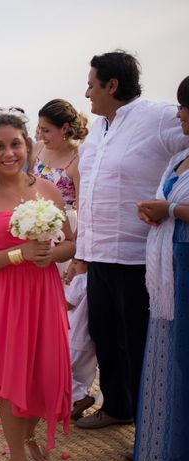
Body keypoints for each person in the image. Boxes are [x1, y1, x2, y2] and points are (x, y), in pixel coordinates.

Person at [75, 51, 189, 431]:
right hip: (97, 253)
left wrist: (173, 204)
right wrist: (82, 252)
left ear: (112, 85)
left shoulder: (157, 117)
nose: (86, 92)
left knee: (138, 343)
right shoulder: (97, 129)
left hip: (137, 254)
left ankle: (150, 428)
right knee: (104, 336)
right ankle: (118, 407)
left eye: (92, 85)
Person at [0, 111, 75, 461]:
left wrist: (49, 254)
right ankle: (16, 459)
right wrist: (18, 254)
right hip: (2, 298)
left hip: (43, 292)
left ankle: (27, 437)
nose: (8, 153)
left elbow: (70, 244)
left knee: (44, 369)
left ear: (27, 146)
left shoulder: (47, 191)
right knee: (12, 376)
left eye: (15, 144)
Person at [133, 75, 189, 461]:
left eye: (185, 107)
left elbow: (174, 205)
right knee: (169, 363)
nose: (180, 114)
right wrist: (155, 210)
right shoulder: (178, 157)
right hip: (169, 272)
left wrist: (168, 210)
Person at [34, 99, 88, 226]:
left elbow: (82, 208)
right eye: (39, 129)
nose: (40, 136)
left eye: (46, 131)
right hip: (32, 223)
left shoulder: (78, 160)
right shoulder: (38, 148)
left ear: (64, 128)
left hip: (62, 228)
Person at [64, 259, 97, 420]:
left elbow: (68, 304)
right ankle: (76, 405)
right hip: (89, 339)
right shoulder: (95, 280)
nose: (73, 267)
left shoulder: (80, 280)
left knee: (63, 371)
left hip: (74, 336)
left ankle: (79, 398)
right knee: (84, 374)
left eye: (75, 263)